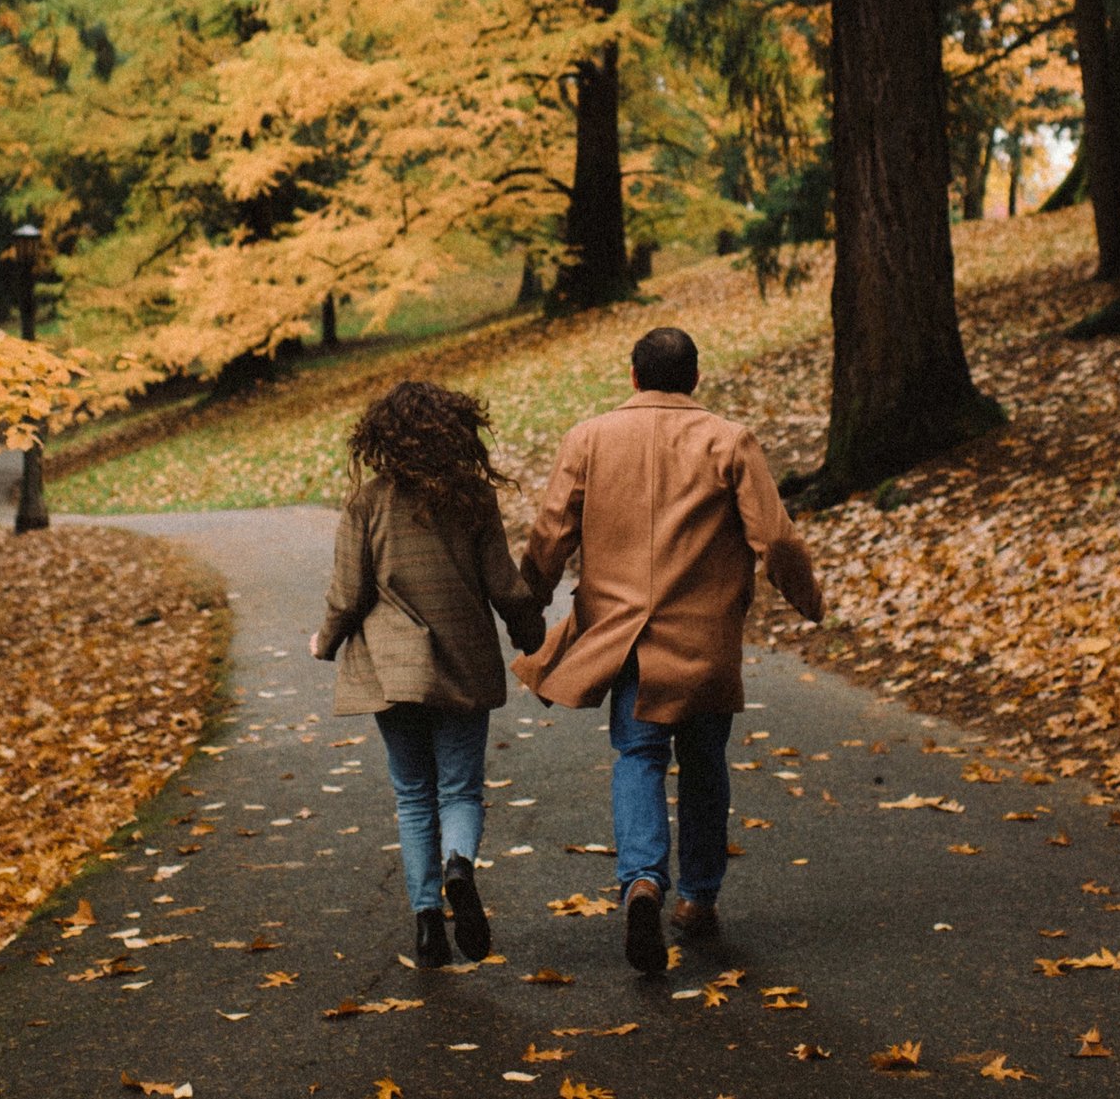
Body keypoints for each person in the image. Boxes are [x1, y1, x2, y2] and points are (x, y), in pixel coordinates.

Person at [513, 326, 824, 973]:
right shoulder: (728, 440)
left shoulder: (590, 437)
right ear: (695, 378)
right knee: (705, 762)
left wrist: (529, 600)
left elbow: (551, 530)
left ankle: (643, 881)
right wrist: (808, 599)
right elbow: (777, 538)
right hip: (704, 636)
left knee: (639, 754)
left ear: (632, 376)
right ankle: (700, 897)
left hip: (622, 634)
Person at [312, 380, 546, 967]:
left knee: (413, 796)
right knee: (460, 790)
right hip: (462, 665)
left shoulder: (367, 503)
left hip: (392, 675)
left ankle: (426, 925)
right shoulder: (472, 499)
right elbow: (504, 586)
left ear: (380, 437)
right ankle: (459, 867)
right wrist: (528, 632)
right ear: (455, 431)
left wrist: (324, 642)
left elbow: (347, 594)